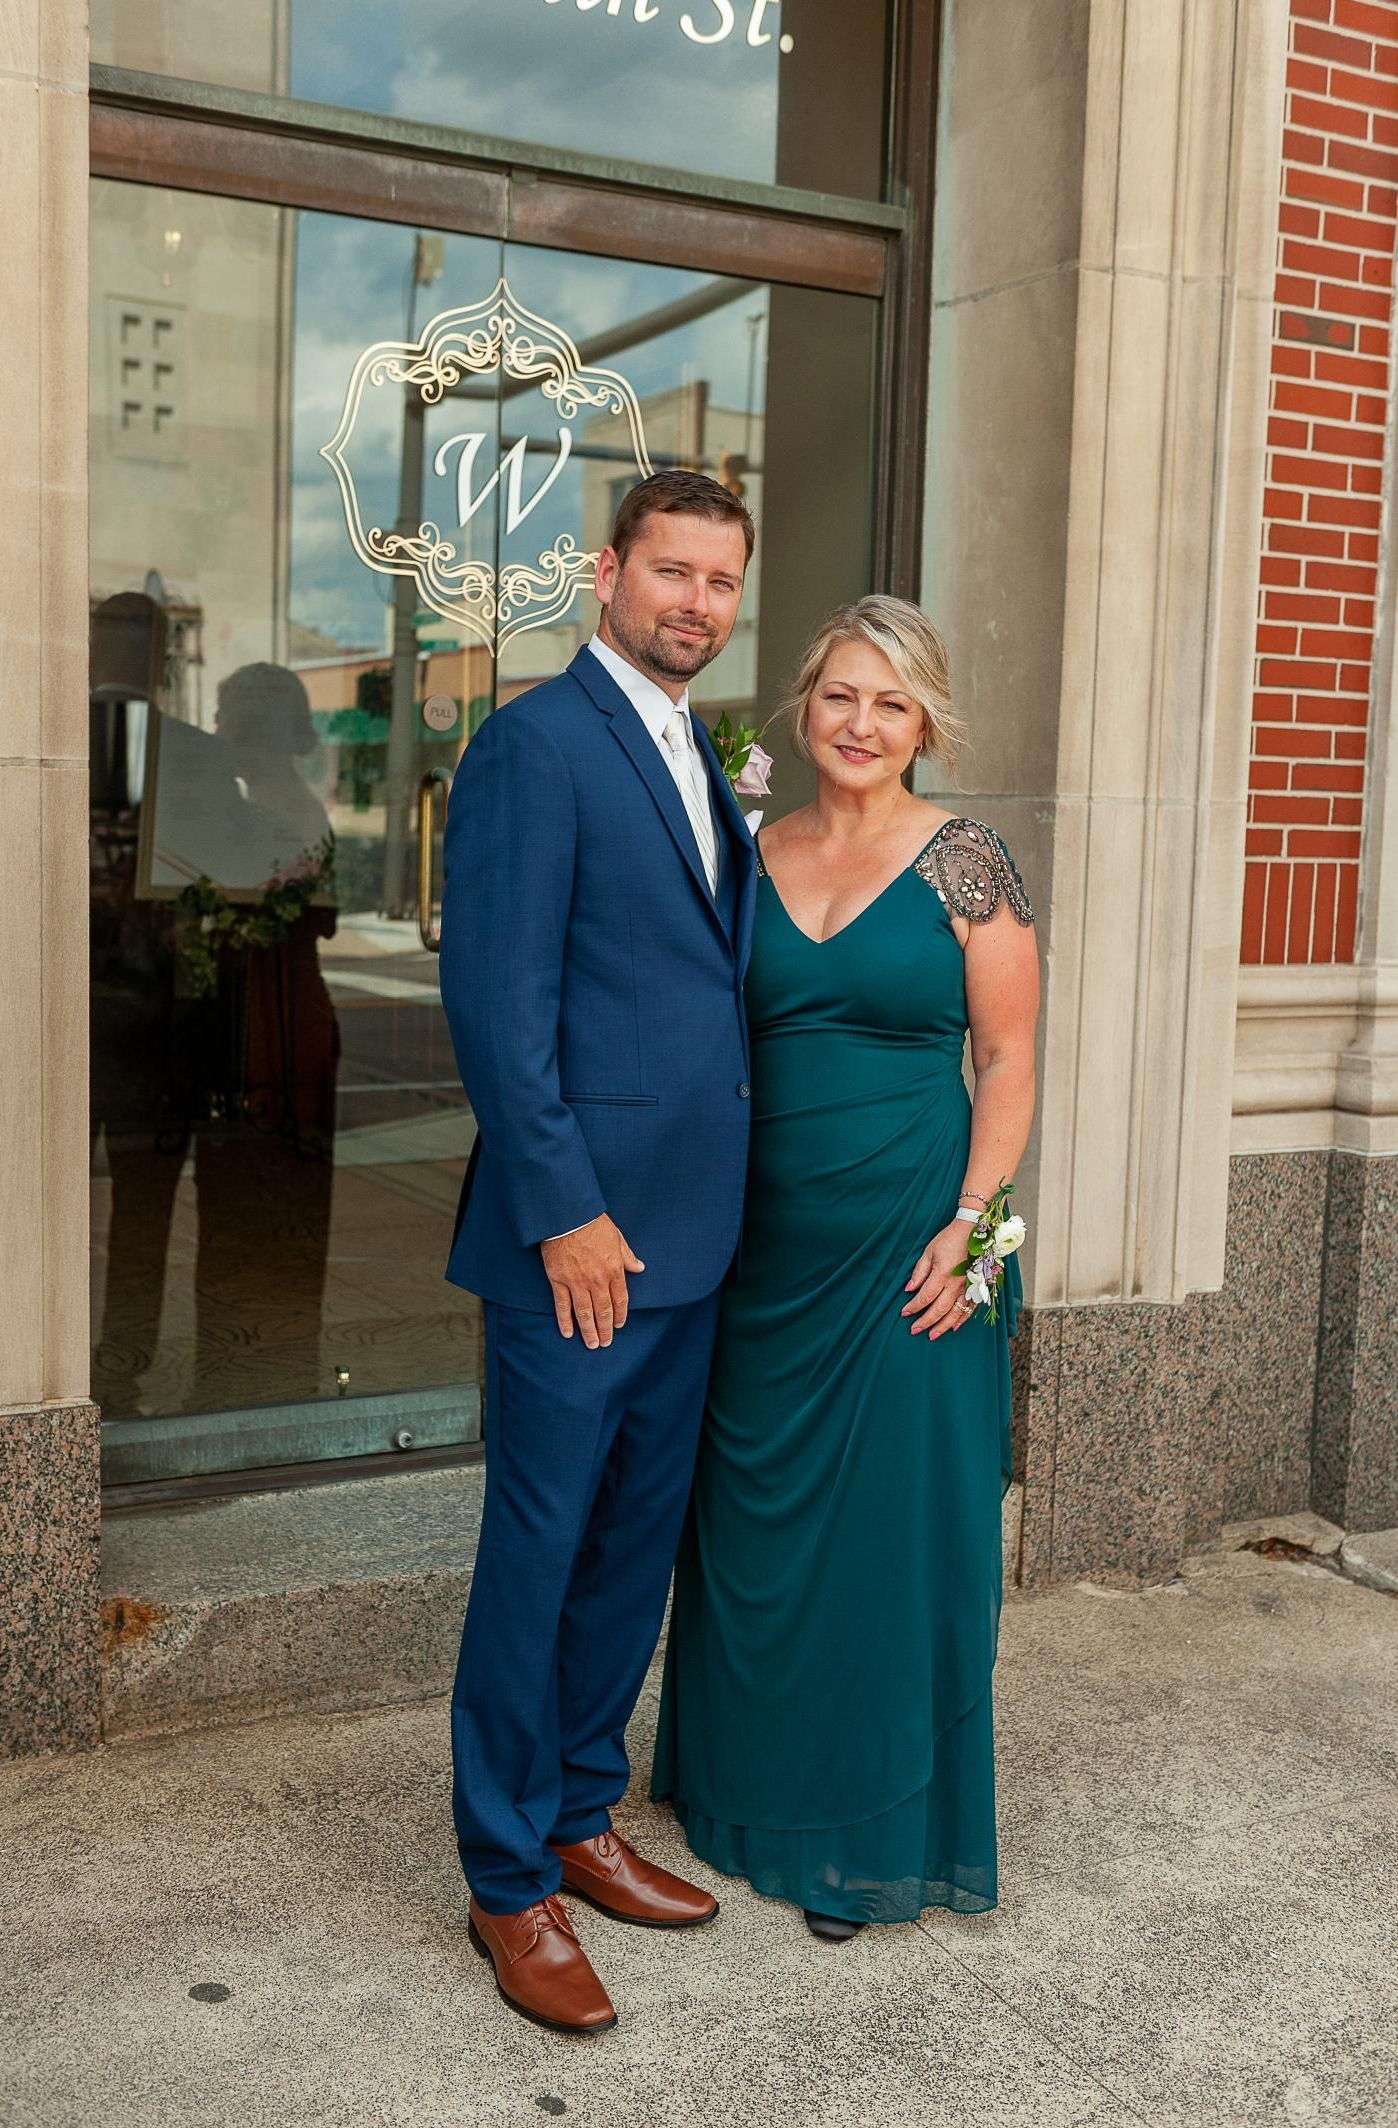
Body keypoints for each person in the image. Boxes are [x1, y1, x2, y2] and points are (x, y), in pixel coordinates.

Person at [653, 596, 1040, 1940]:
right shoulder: (751, 849)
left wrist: (978, 1230)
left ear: (924, 720)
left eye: (891, 703)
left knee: (887, 1543)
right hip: (758, 1259)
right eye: (839, 697)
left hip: (909, 1255)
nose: (862, 724)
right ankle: (748, 1789)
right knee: (757, 1533)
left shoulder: (966, 864)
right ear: (803, 707)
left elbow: (1007, 1060)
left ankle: (868, 1830)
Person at [439, 470, 759, 2033]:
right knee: (540, 1555)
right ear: (608, 573)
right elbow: (497, 1009)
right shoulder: (534, 744)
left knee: (629, 1557)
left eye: (719, 582)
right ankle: (506, 1882)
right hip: (582, 1246)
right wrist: (565, 1210)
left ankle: (577, 1812)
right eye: (670, 571)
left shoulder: (699, 750)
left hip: (691, 1243)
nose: (695, 603)